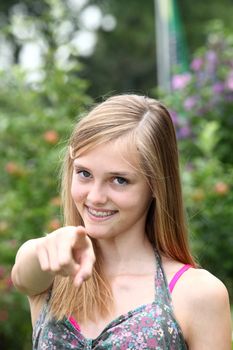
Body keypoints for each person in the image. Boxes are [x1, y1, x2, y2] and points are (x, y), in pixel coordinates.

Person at [11, 94, 231, 349]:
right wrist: (49, 247)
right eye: (84, 173)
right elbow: (24, 277)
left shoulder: (196, 293)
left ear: (155, 186)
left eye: (119, 180)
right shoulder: (50, 268)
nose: (95, 197)